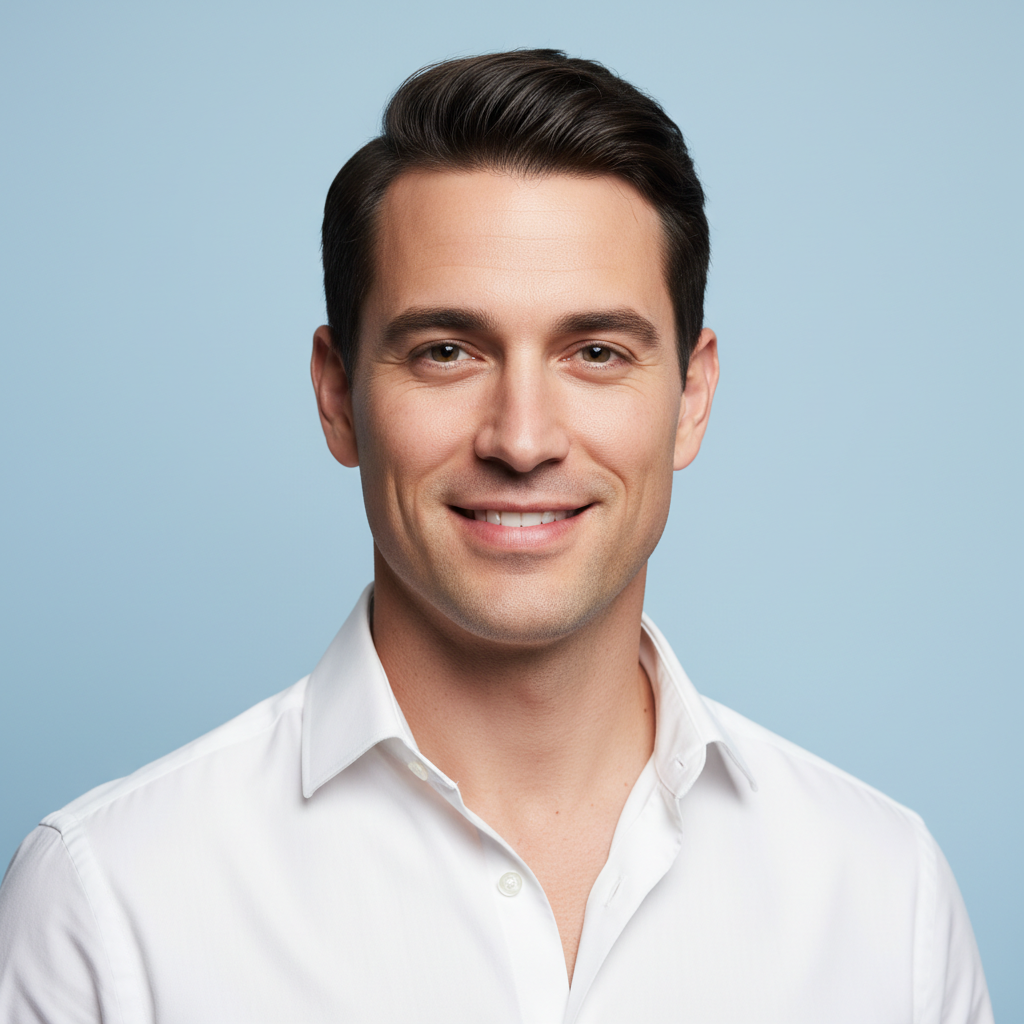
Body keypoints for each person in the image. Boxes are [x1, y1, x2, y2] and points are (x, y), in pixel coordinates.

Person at [0, 49, 992, 1024]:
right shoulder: (111, 902)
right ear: (338, 394)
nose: (521, 438)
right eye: (446, 350)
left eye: (595, 351)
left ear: (690, 397)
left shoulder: (883, 895)